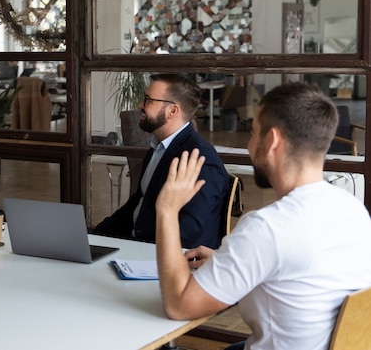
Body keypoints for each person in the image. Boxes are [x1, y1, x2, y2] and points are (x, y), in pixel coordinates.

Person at [155, 82, 371, 350]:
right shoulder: (353, 210)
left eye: (254, 133)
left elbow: (179, 306)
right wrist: (236, 263)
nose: (249, 144)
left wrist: (167, 209)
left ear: (272, 141)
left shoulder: (267, 228)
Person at [93, 73, 228, 249]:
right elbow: (138, 202)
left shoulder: (200, 159)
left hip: (169, 259)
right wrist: (94, 236)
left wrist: (137, 250)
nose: (140, 105)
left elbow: (190, 231)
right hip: (137, 245)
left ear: (173, 110)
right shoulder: (158, 147)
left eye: (148, 100)